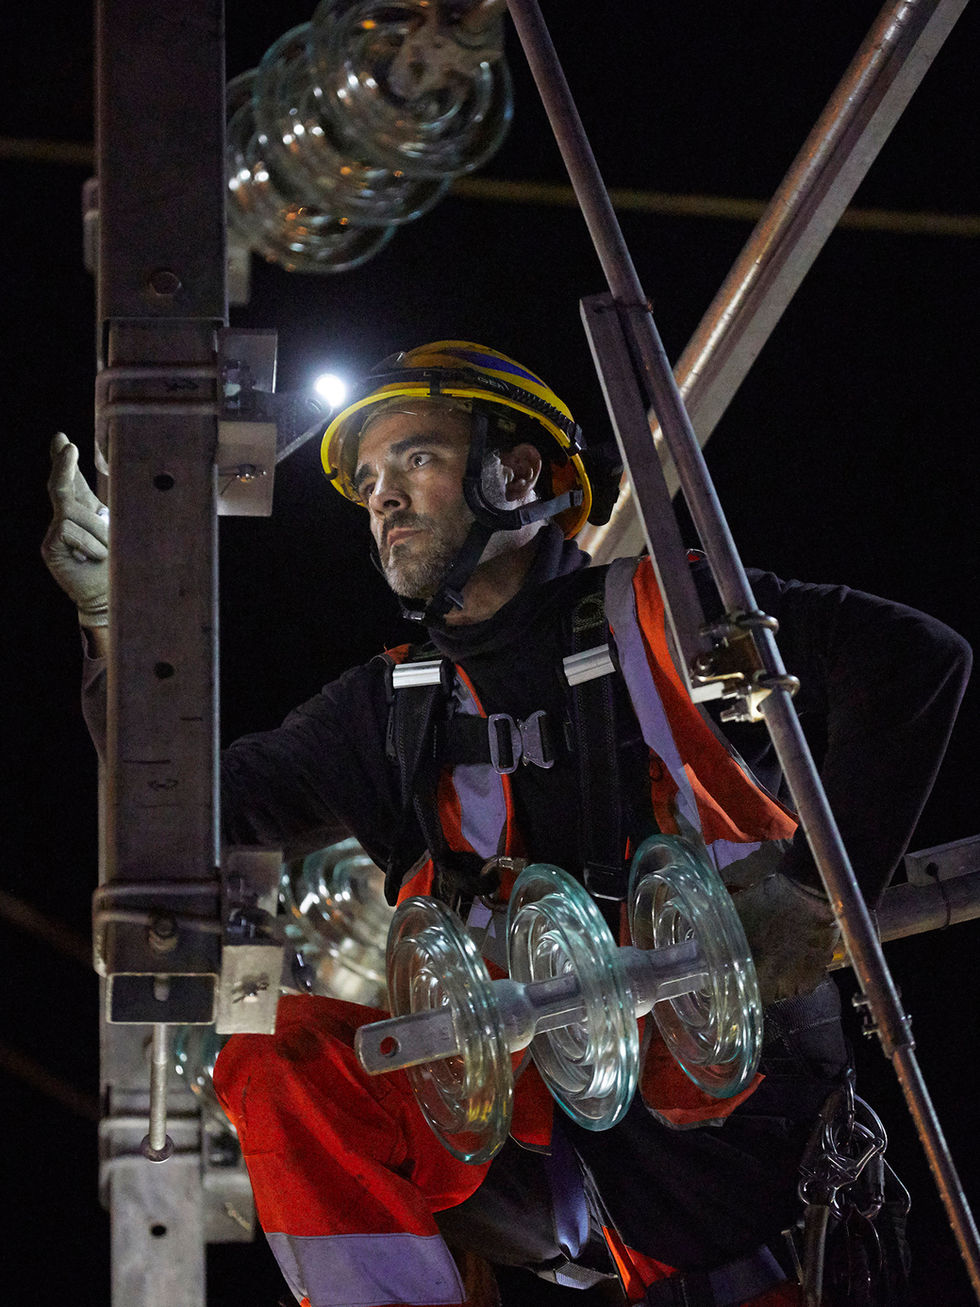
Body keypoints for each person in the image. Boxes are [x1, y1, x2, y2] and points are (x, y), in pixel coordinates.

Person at [43, 341, 971, 1307]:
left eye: (415, 458)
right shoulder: (389, 710)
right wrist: (121, 621)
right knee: (283, 1060)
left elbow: (913, 660)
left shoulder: (662, 617)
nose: (383, 496)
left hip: (729, 1150)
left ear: (518, 472)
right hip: (525, 1133)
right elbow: (177, 814)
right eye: (368, 481)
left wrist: (814, 897)